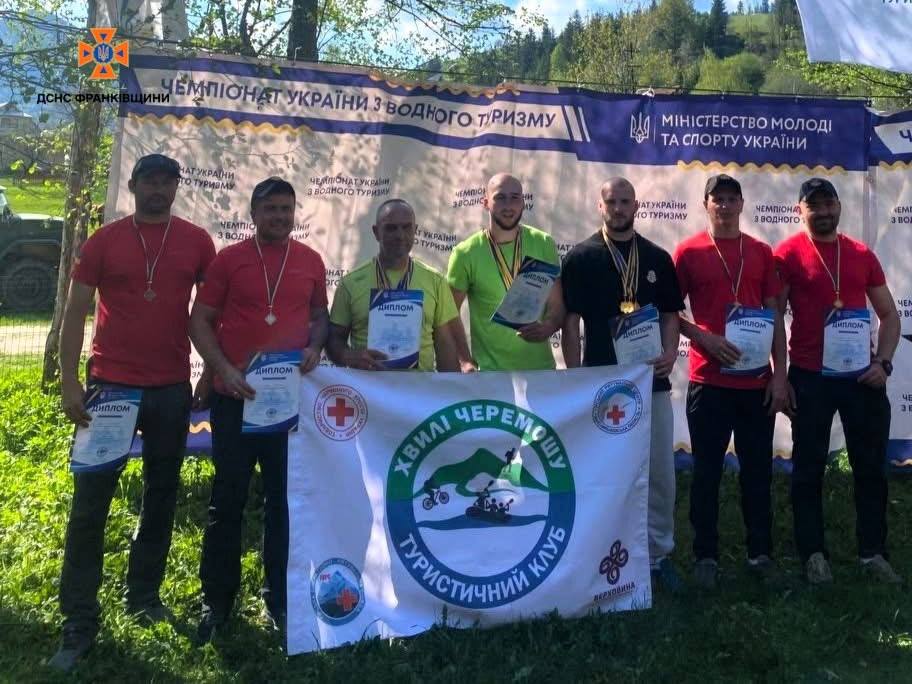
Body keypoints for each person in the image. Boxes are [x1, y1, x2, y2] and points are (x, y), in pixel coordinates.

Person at [50, 154, 216, 671]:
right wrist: (70, 380)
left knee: (161, 496)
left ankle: (143, 596)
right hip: (110, 389)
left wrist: (210, 372)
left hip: (170, 388)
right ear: (133, 185)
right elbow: (75, 311)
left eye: (168, 181)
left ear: (177, 187)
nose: (159, 189)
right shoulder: (104, 241)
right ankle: (79, 621)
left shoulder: (197, 242)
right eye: (150, 181)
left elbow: (211, 312)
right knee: (90, 504)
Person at [189, 176, 329, 642]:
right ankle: (216, 603)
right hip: (236, 401)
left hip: (287, 408)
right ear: (253, 214)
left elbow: (320, 317)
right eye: (270, 209)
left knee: (283, 504)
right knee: (226, 502)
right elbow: (199, 321)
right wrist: (223, 369)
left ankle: (280, 600)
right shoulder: (229, 260)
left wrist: (314, 347)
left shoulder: (310, 261)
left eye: (286, 208)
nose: (280, 217)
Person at [775, 178, 901, 584]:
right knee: (808, 468)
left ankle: (873, 553)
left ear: (838, 206)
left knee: (870, 468)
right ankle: (813, 554)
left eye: (829, 203)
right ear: (800, 211)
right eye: (814, 205)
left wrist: (883, 363)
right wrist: (780, 376)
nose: (824, 211)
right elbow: (774, 317)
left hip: (861, 378)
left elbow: (890, 315)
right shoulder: (787, 255)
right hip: (810, 377)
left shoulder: (862, 254)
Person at [561, 177, 685, 592]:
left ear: (636, 206)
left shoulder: (657, 258)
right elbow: (570, 323)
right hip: (601, 386)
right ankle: (599, 553)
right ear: (600, 206)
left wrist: (670, 353)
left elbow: (670, 313)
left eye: (625, 201)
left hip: (650, 382)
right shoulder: (580, 258)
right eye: (611, 202)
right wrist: (576, 377)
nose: (618, 208)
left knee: (659, 473)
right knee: (602, 473)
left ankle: (659, 555)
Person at [673, 174, 788, 589]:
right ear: (705, 204)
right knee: (706, 472)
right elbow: (670, 313)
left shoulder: (760, 251)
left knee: (757, 472)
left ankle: (760, 554)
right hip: (709, 381)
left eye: (730, 198)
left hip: (756, 384)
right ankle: (705, 555)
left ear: (741, 203)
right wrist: (702, 337)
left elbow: (775, 316)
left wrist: (780, 375)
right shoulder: (687, 252)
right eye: (716, 198)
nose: (723, 205)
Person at [327, 199, 465, 371]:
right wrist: (349, 356)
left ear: (415, 230)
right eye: (391, 228)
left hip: (419, 386)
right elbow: (334, 340)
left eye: (406, 227)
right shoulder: (350, 284)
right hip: (369, 386)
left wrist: (451, 385)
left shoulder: (435, 281)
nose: (400, 235)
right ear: (376, 232)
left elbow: (445, 344)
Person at [447, 173, 564, 371]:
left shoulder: (544, 243)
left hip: (541, 371)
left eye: (515, 198)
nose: (508, 205)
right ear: (486, 203)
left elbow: (557, 304)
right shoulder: (465, 253)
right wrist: (464, 360)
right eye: (500, 198)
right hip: (490, 373)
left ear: (523, 203)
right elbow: (449, 315)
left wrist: (549, 326)